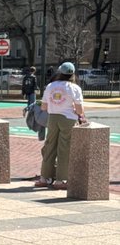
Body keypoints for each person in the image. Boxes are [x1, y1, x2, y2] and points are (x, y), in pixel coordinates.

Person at [34, 60, 87, 191]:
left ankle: (44, 178)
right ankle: (61, 179)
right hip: (68, 118)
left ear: (60, 72)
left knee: (50, 146)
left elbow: (44, 107)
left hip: (52, 117)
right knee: (64, 148)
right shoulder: (75, 88)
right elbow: (80, 110)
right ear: (73, 74)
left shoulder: (51, 86)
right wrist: (75, 110)